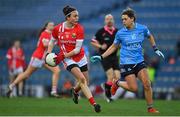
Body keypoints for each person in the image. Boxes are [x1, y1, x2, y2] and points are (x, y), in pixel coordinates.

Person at [91, 8, 164, 113]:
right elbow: (113, 47)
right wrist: (101, 56)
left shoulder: (142, 28)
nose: (123, 21)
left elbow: (150, 36)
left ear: (132, 19)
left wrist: (155, 48)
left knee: (147, 84)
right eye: (122, 19)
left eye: (125, 19)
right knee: (134, 88)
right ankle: (117, 83)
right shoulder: (120, 33)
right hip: (126, 63)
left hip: (139, 61)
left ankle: (150, 108)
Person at [46, 5, 101, 113]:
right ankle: (94, 104)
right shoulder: (58, 29)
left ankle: (75, 91)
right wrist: (48, 53)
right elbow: (52, 41)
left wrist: (62, 56)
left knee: (86, 81)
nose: (77, 18)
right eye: (75, 16)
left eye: (78, 16)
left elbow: (77, 50)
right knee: (82, 80)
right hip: (68, 60)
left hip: (80, 57)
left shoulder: (79, 28)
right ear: (68, 17)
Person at [7, 22, 61, 98]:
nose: (53, 26)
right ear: (46, 27)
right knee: (27, 74)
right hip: (38, 57)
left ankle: (53, 91)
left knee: (57, 70)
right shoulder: (45, 33)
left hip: (45, 58)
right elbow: (45, 44)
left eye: (53, 25)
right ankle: (11, 85)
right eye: (50, 25)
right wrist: (55, 42)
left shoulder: (51, 35)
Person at [91, 14, 120, 102]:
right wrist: (100, 46)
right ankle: (108, 96)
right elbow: (92, 42)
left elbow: (120, 42)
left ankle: (106, 86)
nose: (109, 20)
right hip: (105, 57)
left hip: (114, 57)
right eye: (107, 19)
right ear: (105, 21)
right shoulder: (101, 31)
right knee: (110, 76)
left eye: (111, 19)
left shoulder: (117, 31)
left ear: (113, 20)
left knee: (117, 77)